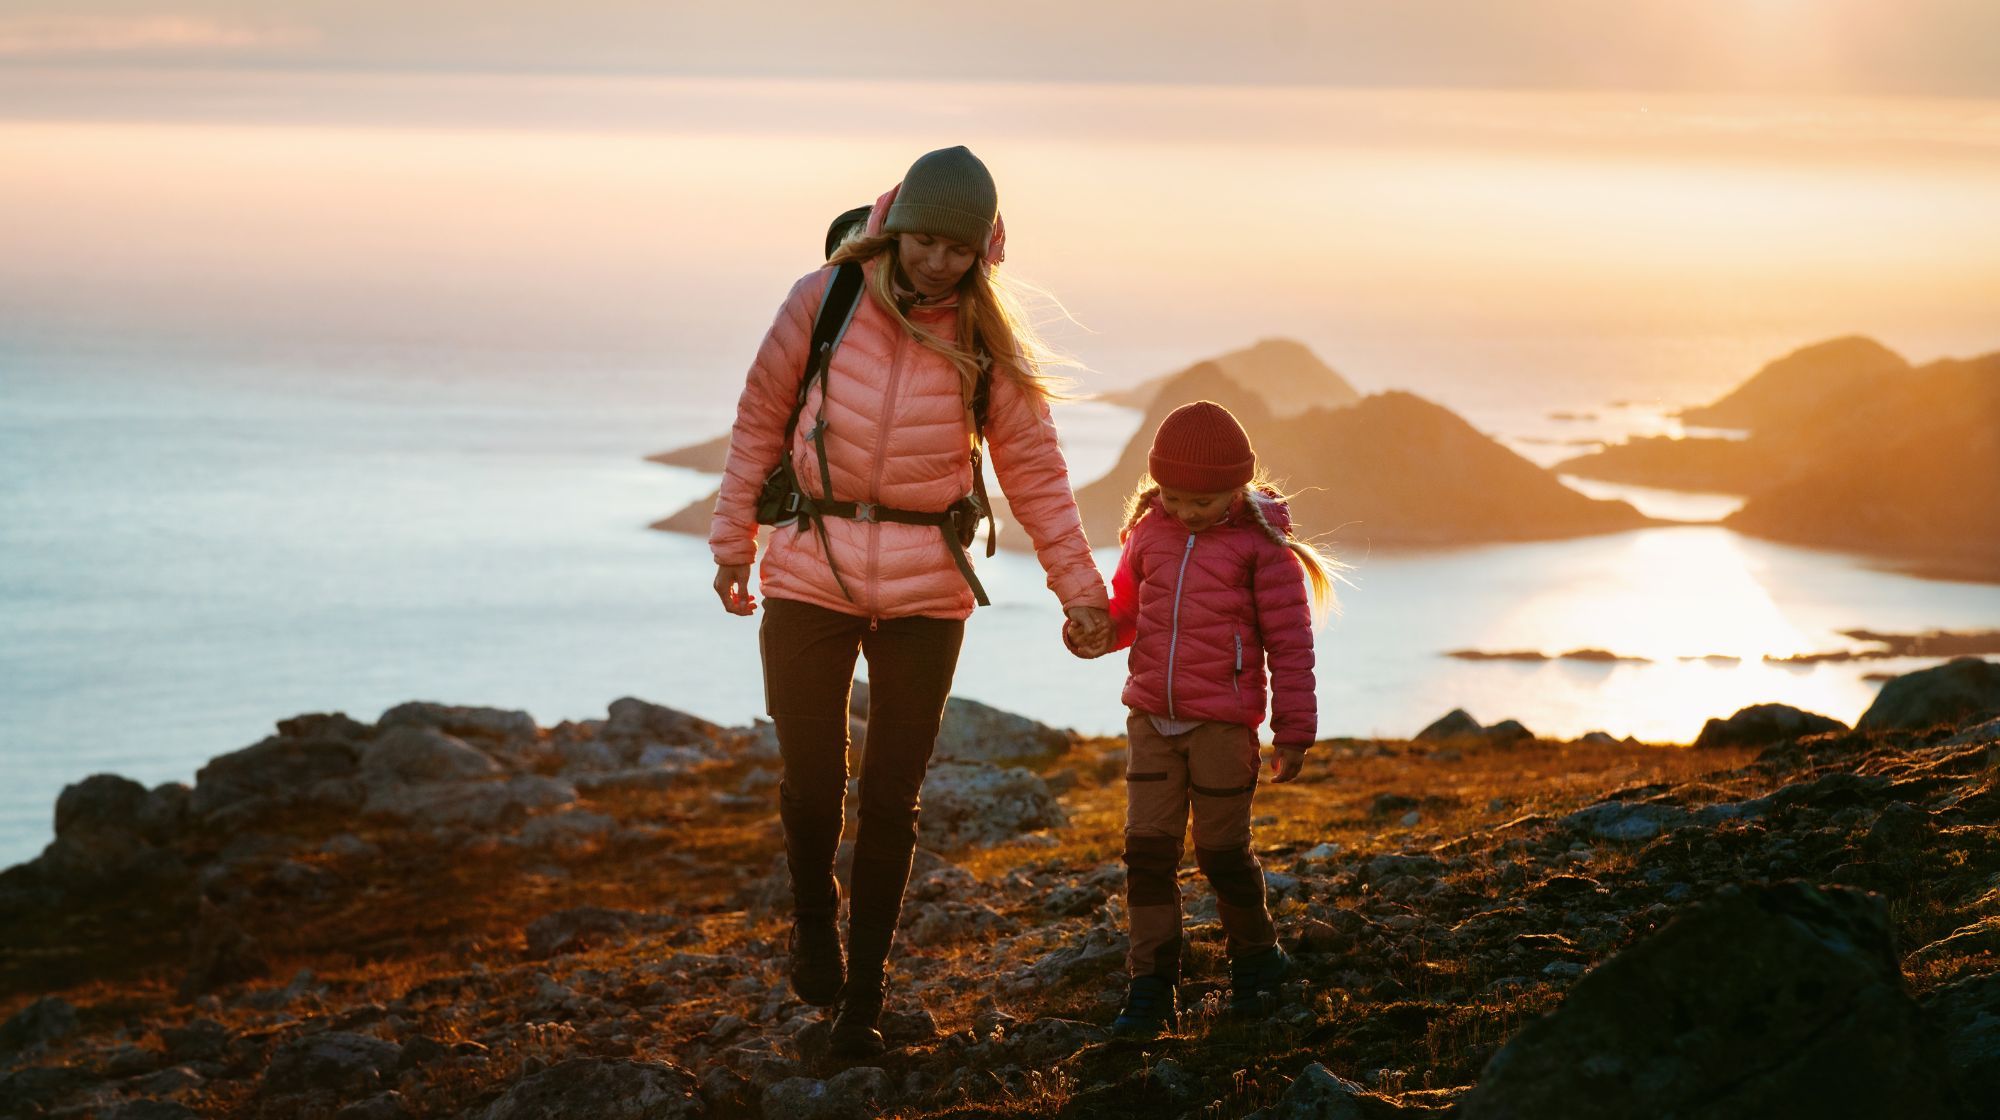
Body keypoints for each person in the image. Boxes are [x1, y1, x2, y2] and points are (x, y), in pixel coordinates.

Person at [710, 146, 1111, 1058]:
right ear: (895, 227)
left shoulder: (984, 334)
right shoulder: (823, 299)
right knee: (813, 781)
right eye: (925, 241)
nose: (938, 262)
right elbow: (757, 420)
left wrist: (1079, 593)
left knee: (893, 798)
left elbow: (1036, 472)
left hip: (929, 586)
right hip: (813, 567)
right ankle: (815, 913)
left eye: (958, 250)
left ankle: (864, 1002)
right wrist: (734, 545)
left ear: (983, 251)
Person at [1065, 399, 1342, 1039]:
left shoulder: (1263, 550)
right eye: (1175, 496)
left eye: (1205, 499)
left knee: (1221, 853)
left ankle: (1256, 960)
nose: (1187, 511)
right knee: (1148, 855)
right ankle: (1151, 986)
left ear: (1237, 487)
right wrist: (1095, 633)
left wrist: (1293, 731)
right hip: (1150, 721)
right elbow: (1128, 613)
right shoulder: (1149, 532)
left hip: (1223, 725)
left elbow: (1291, 646)